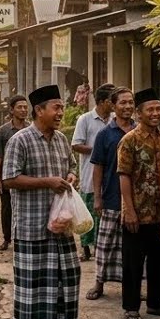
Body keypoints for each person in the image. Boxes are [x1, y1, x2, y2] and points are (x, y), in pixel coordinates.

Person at [1, 84, 87, 319]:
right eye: (56, 107)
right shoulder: (20, 140)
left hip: (61, 225)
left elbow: (72, 167)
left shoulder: (62, 140)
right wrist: (46, 182)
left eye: (62, 107)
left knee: (66, 277)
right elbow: (9, 179)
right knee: (31, 281)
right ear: (39, 111)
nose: (61, 112)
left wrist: (71, 177)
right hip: (32, 225)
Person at [117, 88, 160, 319]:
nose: (156, 113)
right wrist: (128, 210)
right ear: (139, 114)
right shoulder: (129, 141)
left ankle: (156, 303)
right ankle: (131, 306)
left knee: (159, 261)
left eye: (158, 109)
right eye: (151, 109)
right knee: (133, 263)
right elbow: (124, 176)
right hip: (136, 212)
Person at [86, 87, 135, 301]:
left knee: (133, 248)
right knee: (105, 244)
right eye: (123, 103)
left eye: (130, 102)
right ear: (113, 106)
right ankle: (99, 283)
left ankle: (132, 285)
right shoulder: (105, 134)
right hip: (111, 197)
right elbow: (98, 168)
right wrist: (97, 197)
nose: (127, 106)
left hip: (135, 201)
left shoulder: (139, 131)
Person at [71, 84, 115, 261]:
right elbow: (75, 144)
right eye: (112, 100)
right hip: (90, 175)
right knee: (88, 213)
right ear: (103, 102)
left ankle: (101, 248)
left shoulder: (114, 119)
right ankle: (86, 248)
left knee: (105, 215)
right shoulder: (85, 119)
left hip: (110, 175)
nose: (114, 104)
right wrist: (99, 149)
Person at [0, 95, 30, 252]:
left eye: (25, 107)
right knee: (7, 209)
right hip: (8, 177)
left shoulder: (31, 129)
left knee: (26, 209)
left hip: (26, 176)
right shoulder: (3, 131)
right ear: (11, 110)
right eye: (20, 107)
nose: (23, 110)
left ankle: (23, 239)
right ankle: (7, 239)